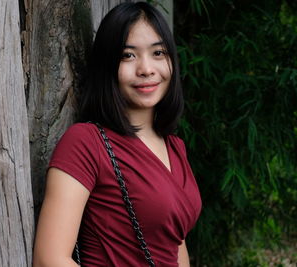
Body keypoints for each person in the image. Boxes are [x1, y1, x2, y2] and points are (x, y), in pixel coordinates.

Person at [33, 2, 202, 267]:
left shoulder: (175, 146)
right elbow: (49, 260)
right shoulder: (86, 143)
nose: (146, 68)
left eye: (158, 53)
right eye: (128, 55)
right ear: (108, 66)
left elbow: (174, 242)